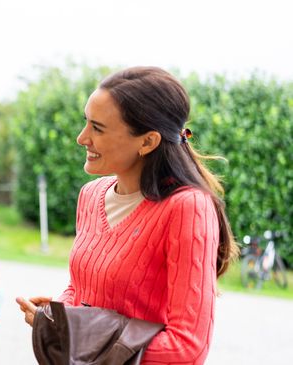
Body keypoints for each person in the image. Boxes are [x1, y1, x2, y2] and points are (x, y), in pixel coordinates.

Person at [16, 66, 238, 364]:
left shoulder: (187, 208)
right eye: (86, 123)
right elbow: (82, 290)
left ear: (147, 141)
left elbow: (187, 348)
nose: (82, 138)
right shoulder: (91, 195)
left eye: (98, 128)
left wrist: (80, 336)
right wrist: (58, 314)